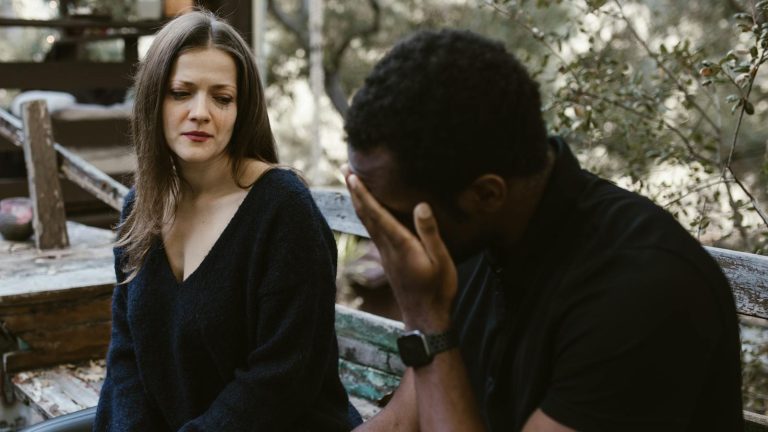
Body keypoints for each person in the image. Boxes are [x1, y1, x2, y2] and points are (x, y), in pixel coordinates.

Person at [343, 29, 743, 431]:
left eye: (387, 214)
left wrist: (427, 319)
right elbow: (399, 422)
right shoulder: (473, 238)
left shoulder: (644, 289)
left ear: (486, 194)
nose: (379, 233)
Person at [94, 10, 359, 431]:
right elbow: (127, 356)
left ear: (242, 109)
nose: (201, 112)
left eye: (222, 98)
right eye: (181, 93)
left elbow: (283, 374)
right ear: (152, 101)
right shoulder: (140, 208)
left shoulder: (282, 209)